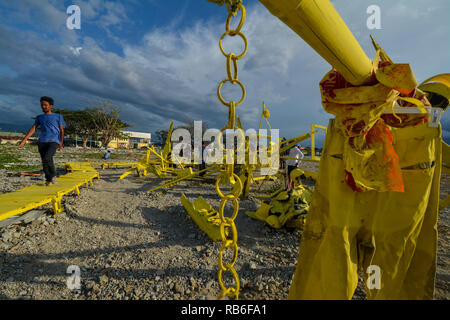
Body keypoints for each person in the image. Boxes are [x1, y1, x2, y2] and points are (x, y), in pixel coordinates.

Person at [19, 96, 65, 186]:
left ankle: (53, 176)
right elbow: (34, 128)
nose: (43, 107)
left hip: (54, 141)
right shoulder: (39, 117)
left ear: (51, 106)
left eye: (45, 105)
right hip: (42, 141)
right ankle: (48, 179)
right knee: (44, 161)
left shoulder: (58, 116)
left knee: (48, 158)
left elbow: (61, 130)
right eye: (42, 105)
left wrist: (61, 142)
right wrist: (24, 140)